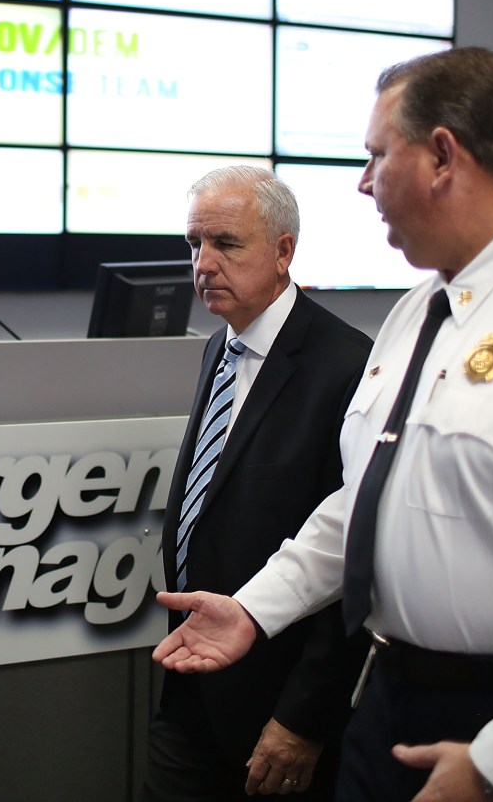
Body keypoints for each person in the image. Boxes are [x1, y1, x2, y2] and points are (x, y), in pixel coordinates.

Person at [151, 47, 493, 802]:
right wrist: (257, 605)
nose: (363, 181)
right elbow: (371, 498)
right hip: (397, 697)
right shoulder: (418, 315)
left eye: (377, 156)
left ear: (442, 156)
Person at [144, 165, 371, 801]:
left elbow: (352, 553)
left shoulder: (346, 367)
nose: (204, 264)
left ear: (284, 251)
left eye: (226, 243)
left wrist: (304, 717)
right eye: (194, 244)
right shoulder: (222, 347)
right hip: (192, 674)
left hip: (277, 702)